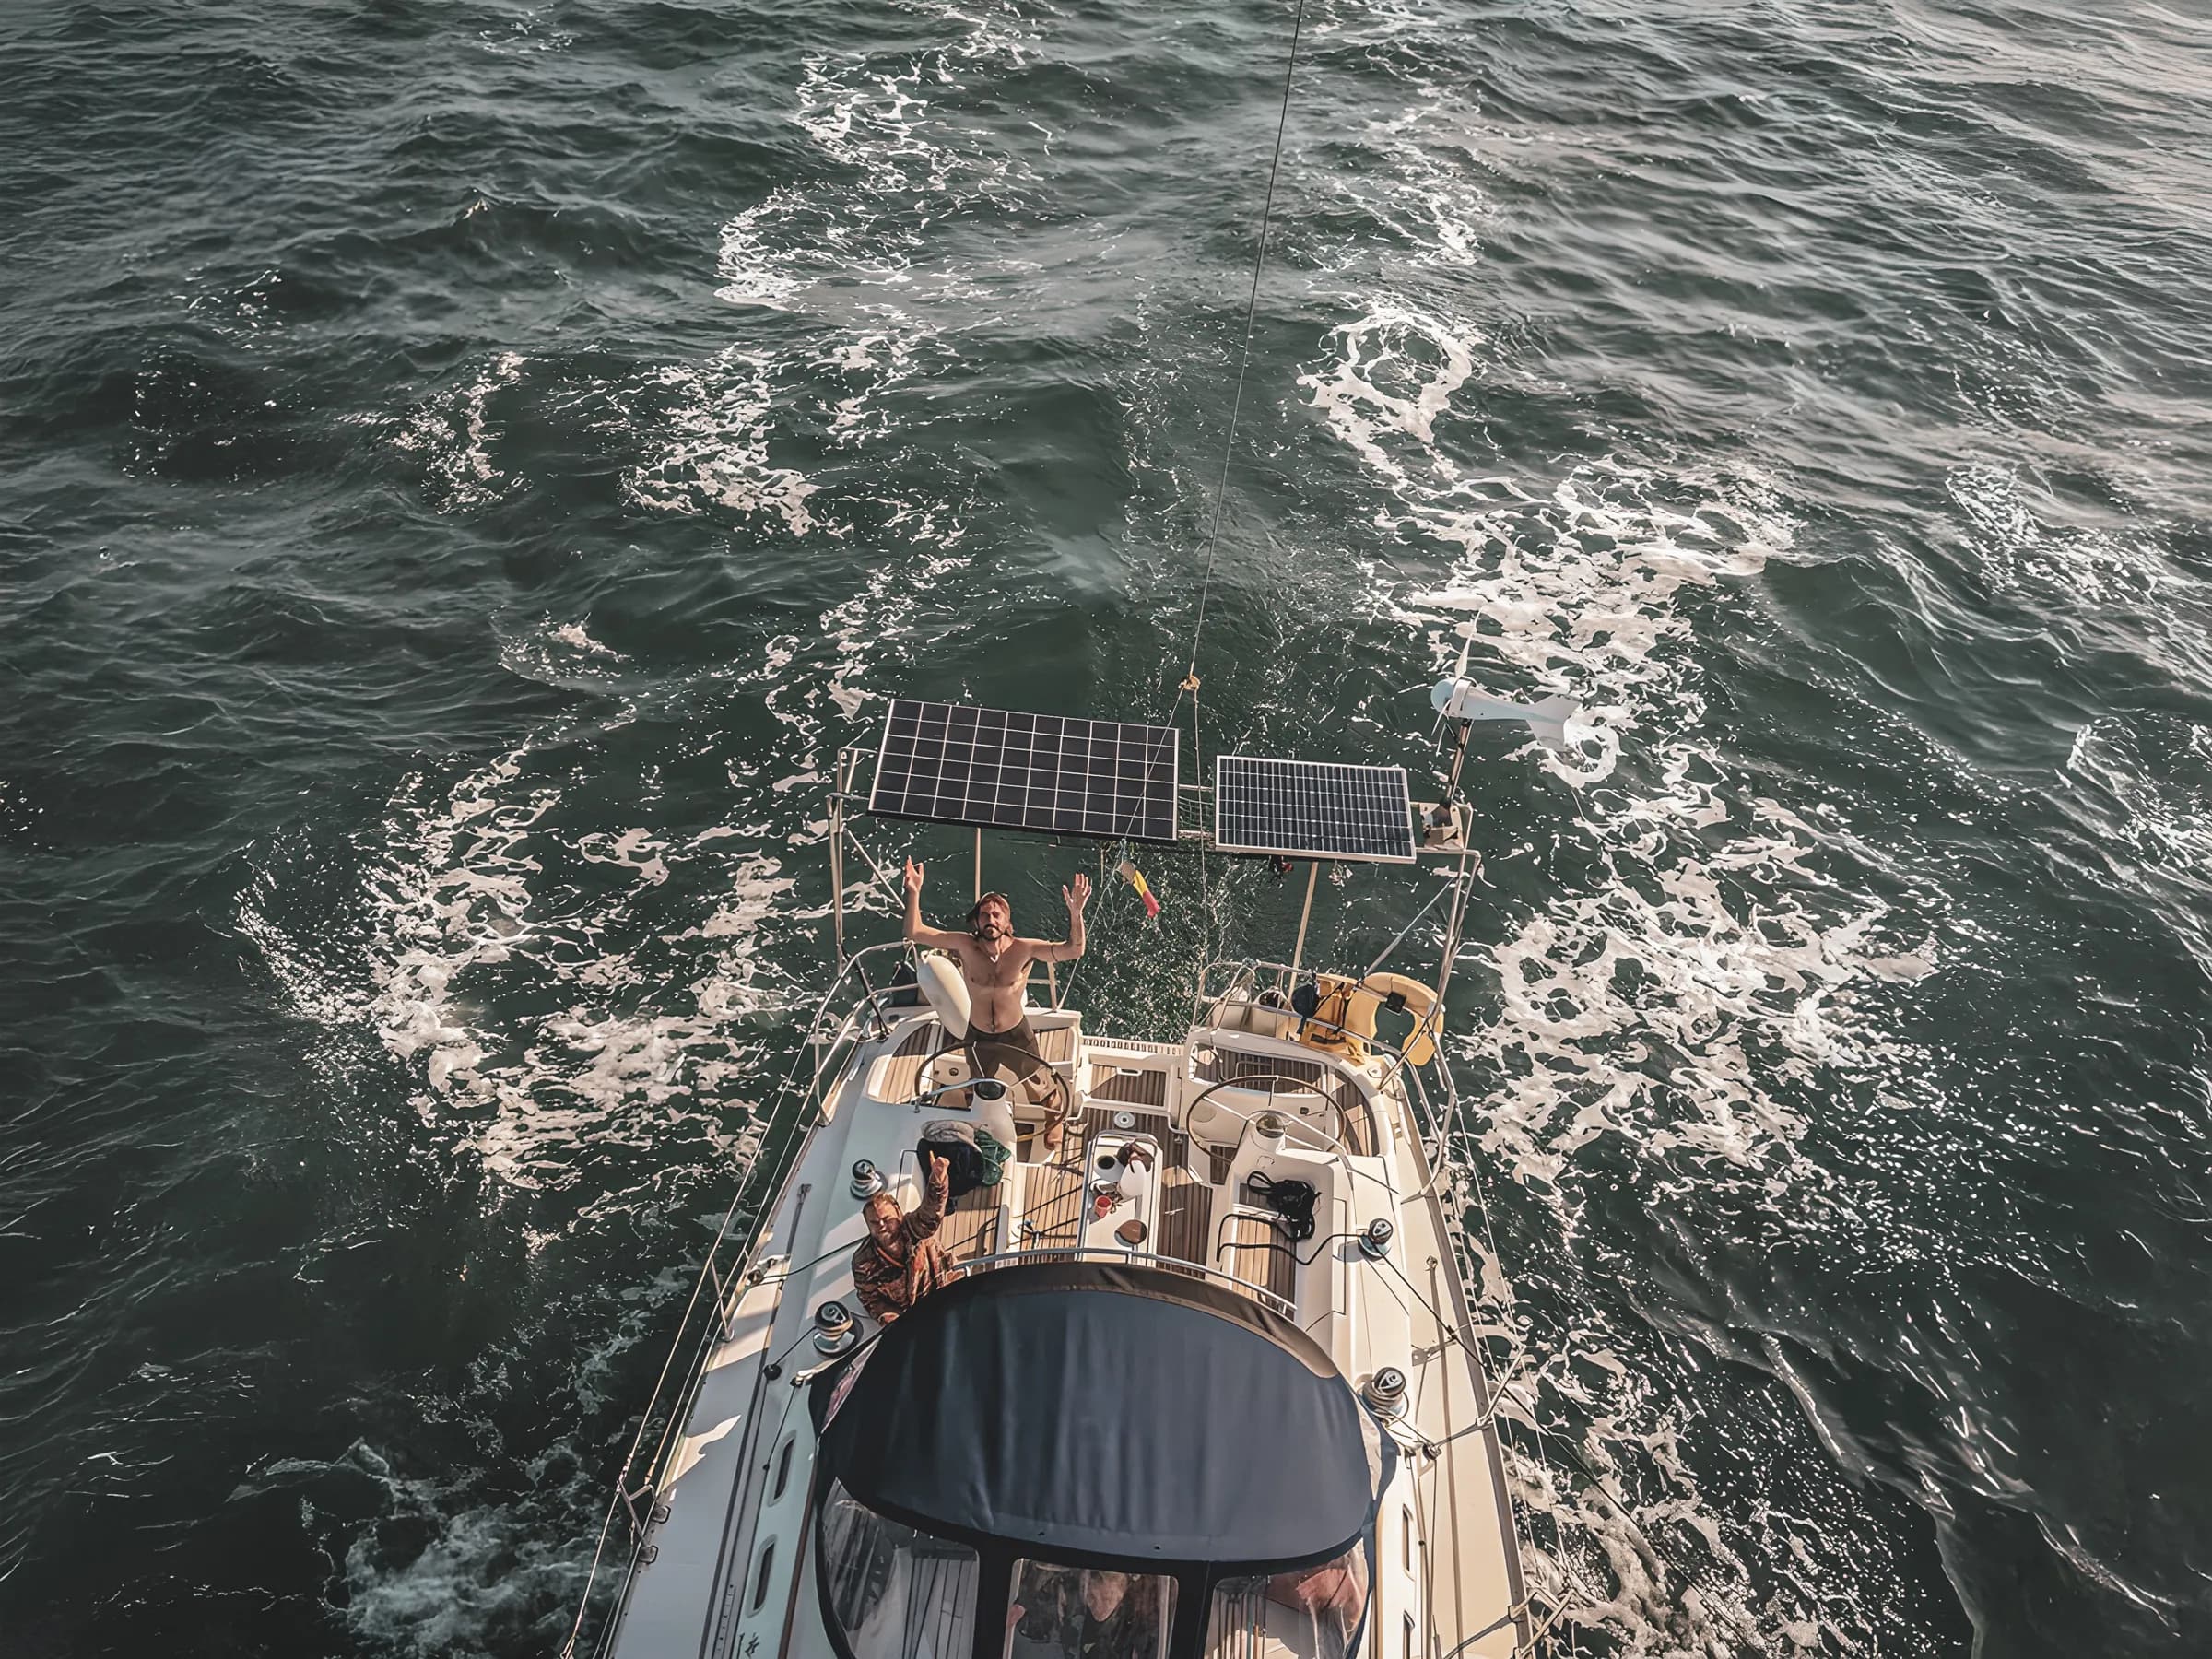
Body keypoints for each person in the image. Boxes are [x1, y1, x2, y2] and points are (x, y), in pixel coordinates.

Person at [903, 858, 1089, 1148]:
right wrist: (914, 892)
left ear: (1007, 921)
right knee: (977, 1085)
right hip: (977, 1034)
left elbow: (1074, 950)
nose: (991, 919)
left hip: (1016, 1034)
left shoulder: (1024, 949)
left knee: (1039, 1084)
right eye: (985, 915)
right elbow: (915, 932)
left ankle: (1055, 1120)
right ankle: (976, 1121)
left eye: (997, 914)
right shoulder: (965, 945)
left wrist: (1075, 913)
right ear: (977, 922)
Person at [851, 1150, 954, 1324]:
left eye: (887, 1219)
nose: (882, 1226)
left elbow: (931, 1211)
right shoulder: (862, 1262)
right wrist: (886, 1316)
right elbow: (870, 1298)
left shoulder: (914, 1228)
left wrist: (938, 1180)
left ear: (899, 1215)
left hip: (942, 1292)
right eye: (875, 1223)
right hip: (908, 1318)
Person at [1010, 1566, 1164, 1659]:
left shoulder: (1145, 1629)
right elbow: (1031, 1627)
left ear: (1125, 1587)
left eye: (1103, 1580)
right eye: (1090, 1580)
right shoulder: (1067, 1604)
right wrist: (1027, 1597)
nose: (1091, 1591)